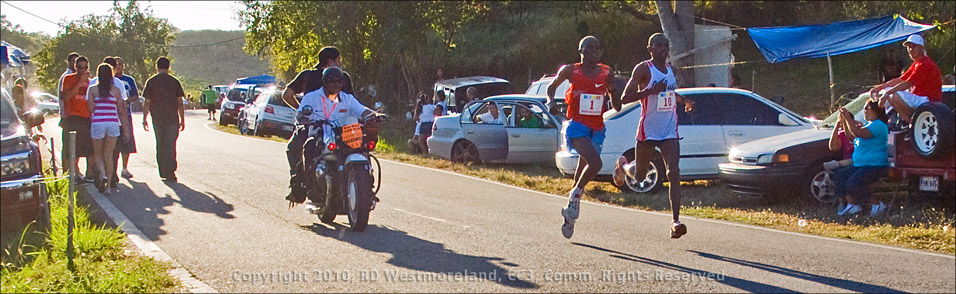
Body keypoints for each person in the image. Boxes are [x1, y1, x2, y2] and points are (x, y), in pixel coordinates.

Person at [612, 33, 695, 239]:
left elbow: (668, 93)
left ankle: (675, 221)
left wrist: (683, 100)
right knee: (640, 176)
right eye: (658, 46)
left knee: (673, 173)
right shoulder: (643, 69)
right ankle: (623, 165)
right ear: (650, 49)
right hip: (648, 131)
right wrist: (649, 92)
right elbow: (625, 98)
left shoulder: (671, 71)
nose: (663, 49)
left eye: (666, 45)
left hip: (669, 131)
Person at [546, 35, 618, 239]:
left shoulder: (606, 71)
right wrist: (551, 101)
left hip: (597, 127)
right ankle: (576, 194)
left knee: (582, 169)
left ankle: (570, 215)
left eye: (597, 49)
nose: (593, 52)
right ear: (581, 51)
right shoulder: (570, 70)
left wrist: (614, 94)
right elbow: (551, 88)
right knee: (595, 164)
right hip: (577, 125)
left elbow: (615, 97)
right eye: (589, 49)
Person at [294, 67, 383, 205]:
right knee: (309, 146)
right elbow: (300, 114)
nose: (336, 84)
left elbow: (363, 111)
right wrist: (303, 118)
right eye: (332, 81)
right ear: (325, 82)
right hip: (320, 135)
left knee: (364, 149)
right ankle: (310, 186)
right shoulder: (312, 97)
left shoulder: (347, 99)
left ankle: (367, 188)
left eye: (339, 81)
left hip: (344, 136)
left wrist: (375, 116)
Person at [283, 46, 356, 202]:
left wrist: (303, 111)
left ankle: (300, 186)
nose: (340, 63)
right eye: (338, 60)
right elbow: (352, 103)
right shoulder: (343, 77)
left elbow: (287, 95)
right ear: (330, 61)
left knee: (293, 149)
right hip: (342, 126)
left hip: (312, 126)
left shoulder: (307, 76)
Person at [869, 34, 942, 124]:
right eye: (909, 47)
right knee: (889, 92)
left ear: (921, 48)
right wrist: (879, 88)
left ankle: (913, 122)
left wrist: (887, 93)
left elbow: (907, 83)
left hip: (929, 101)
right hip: (920, 99)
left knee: (894, 94)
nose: (911, 50)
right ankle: (908, 122)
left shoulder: (925, 63)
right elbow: (900, 80)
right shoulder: (916, 64)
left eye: (914, 47)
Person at [833, 100, 889, 217]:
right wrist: (844, 120)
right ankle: (852, 205)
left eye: (866, 108)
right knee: (839, 175)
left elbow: (859, 133)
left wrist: (848, 118)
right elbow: (851, 136)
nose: (864, 111)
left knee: (853, 183)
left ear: (875, 110)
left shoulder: (878, 125)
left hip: (874, 165)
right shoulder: (868, 125)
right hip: (861, 164)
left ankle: (877, 204)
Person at [86, 63, 131, 193]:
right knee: (108, 155)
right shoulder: (116, 91)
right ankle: (108, 186)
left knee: (98, 154)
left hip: (98, 123)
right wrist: (126, 130)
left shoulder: (93, 90)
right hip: (113, 123)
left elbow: (90, 109)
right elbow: (121, 111)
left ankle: (103, 174)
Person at [142, 56, 186, 182]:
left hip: (157, 118)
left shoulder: (151, 82)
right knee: (170, 145)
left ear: (156, 67)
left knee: (160, 144)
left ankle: (163, 170)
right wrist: (182, 119)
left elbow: (147, 102)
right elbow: (180, 102)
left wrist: (144, 118)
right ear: (168, 67)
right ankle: (170, 171)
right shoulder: (174, 81)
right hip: (172, 118)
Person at [60, 55, 95, 181]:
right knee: (73, 147)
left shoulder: (91, 82)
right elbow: (66, 97)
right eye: (80, 67)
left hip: (86, 117)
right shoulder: (68, 79)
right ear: (75, 67)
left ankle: (89, 173)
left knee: (89, 148)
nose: (83, 69)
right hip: (73, 116)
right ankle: (74, 172)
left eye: (85, 67)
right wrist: (79, 83)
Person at [112, 56, 140, 181]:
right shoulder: (109, 80)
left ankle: (124, 167)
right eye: (116, 64)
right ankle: (112, 169)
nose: (118, 66)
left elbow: (135, 96)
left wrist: (126, 101)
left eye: (120, 64)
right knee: (113, 143)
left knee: (126, 141)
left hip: (126, 114)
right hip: (112, 115)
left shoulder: (129, 80)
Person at [824, 114, 856, 213]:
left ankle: (848, 202)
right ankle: (843, 202)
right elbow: (833, 147)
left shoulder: (858, 131)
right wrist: (837, 126)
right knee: (837, 172)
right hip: (846, 162)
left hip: (857, 161)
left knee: (840, 174)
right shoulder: (842, 134)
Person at [58, 52, 80, 119]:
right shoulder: (65, 77)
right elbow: (62, 96)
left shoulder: (80, 76)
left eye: (77, 61)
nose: (75, 64)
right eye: (73, 61)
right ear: (69, 62)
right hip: (68, 114)